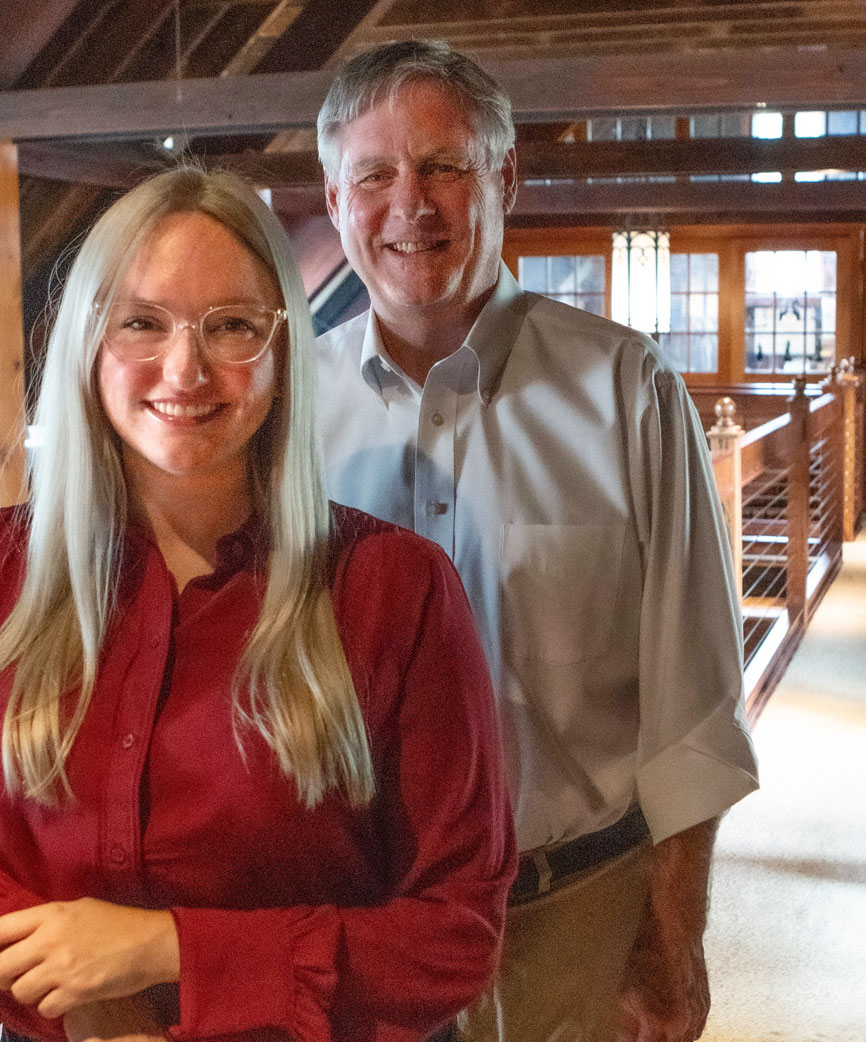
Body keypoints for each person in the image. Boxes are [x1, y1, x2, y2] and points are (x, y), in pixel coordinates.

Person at [0, 165, 515, 1042]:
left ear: (284, 355)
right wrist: (32, 947)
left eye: (233, 327)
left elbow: (455, 933)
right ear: (89, 346)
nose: (185, 368)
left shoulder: (396, 586)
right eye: (142, 322)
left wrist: (164, 950)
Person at [314, 41, 760, 1042]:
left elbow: (693, 699)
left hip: (571, 912)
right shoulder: (278, 411)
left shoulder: (625, 390)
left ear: (504, 177)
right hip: (347, 922)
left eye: (443, 166)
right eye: (374, 174)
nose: (408, 204)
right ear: (334, 198)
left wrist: (670, 935)